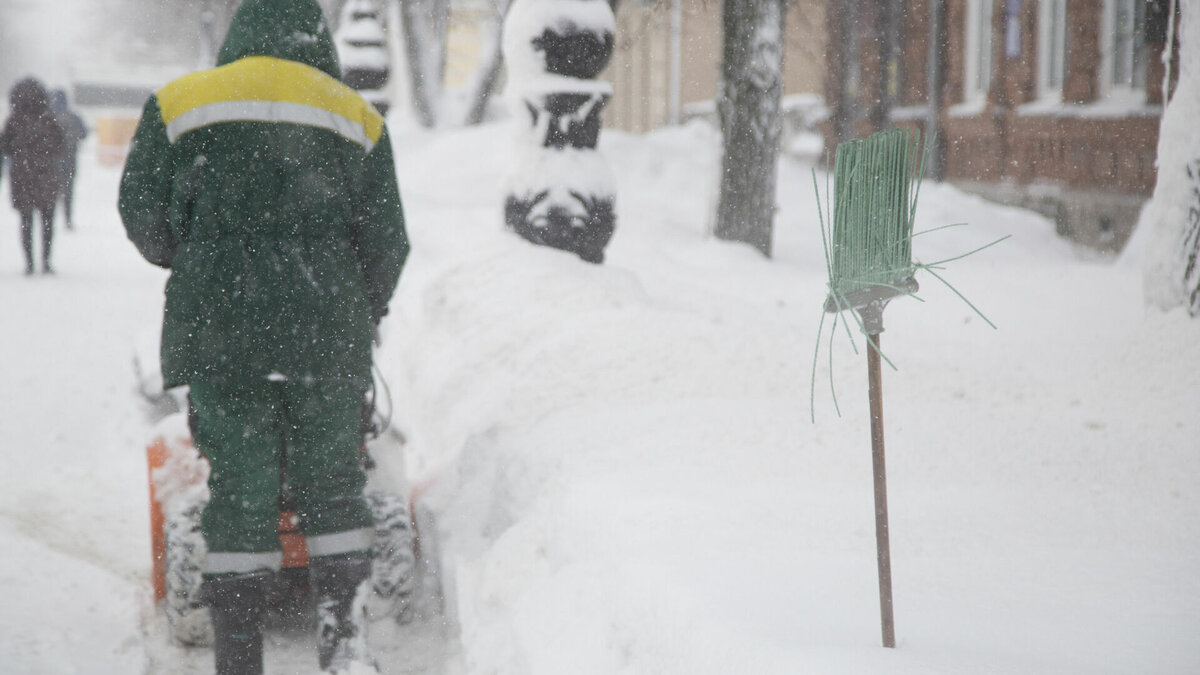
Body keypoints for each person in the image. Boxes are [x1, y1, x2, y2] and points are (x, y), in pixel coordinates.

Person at [118, 0, 408, 672]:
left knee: (240, 494)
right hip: (327, 340)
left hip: (224, 334)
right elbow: (387, 240)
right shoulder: (356, 116)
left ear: (237, 32)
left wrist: (196, 259)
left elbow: (140, 209)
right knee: (336, 486)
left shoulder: (182, 103)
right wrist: (362, 307)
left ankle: (240, 656)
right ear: (318, 38)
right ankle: (345, 646)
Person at [1, 77, 64, 275]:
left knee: (26, 222)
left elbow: (4, 147)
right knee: (47, 222)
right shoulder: (48, 118)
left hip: (22, 178)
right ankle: (46, 261)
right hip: (46, 177)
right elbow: (61, 145)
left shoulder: (14, 120)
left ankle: (29, 263)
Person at [49, 89, 87, 231]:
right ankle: (68, 218)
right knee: (68, 191)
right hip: (70, 160)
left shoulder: (48, 117)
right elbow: (84, 134)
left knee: (52, 192)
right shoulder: (73, 117)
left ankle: (50, 219)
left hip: (52, 162)